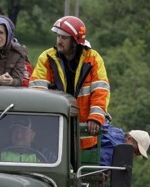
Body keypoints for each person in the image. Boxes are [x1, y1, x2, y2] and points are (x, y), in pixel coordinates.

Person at [29, 16, 110, 151]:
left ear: (75, 41)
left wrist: (95, 118)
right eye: (58, 36)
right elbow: (37, 91)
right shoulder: (47, 58)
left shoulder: (93, 59)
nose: (59, 41)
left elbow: (101, 91)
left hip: (84, 133)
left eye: (64, 38)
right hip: (52, 132)